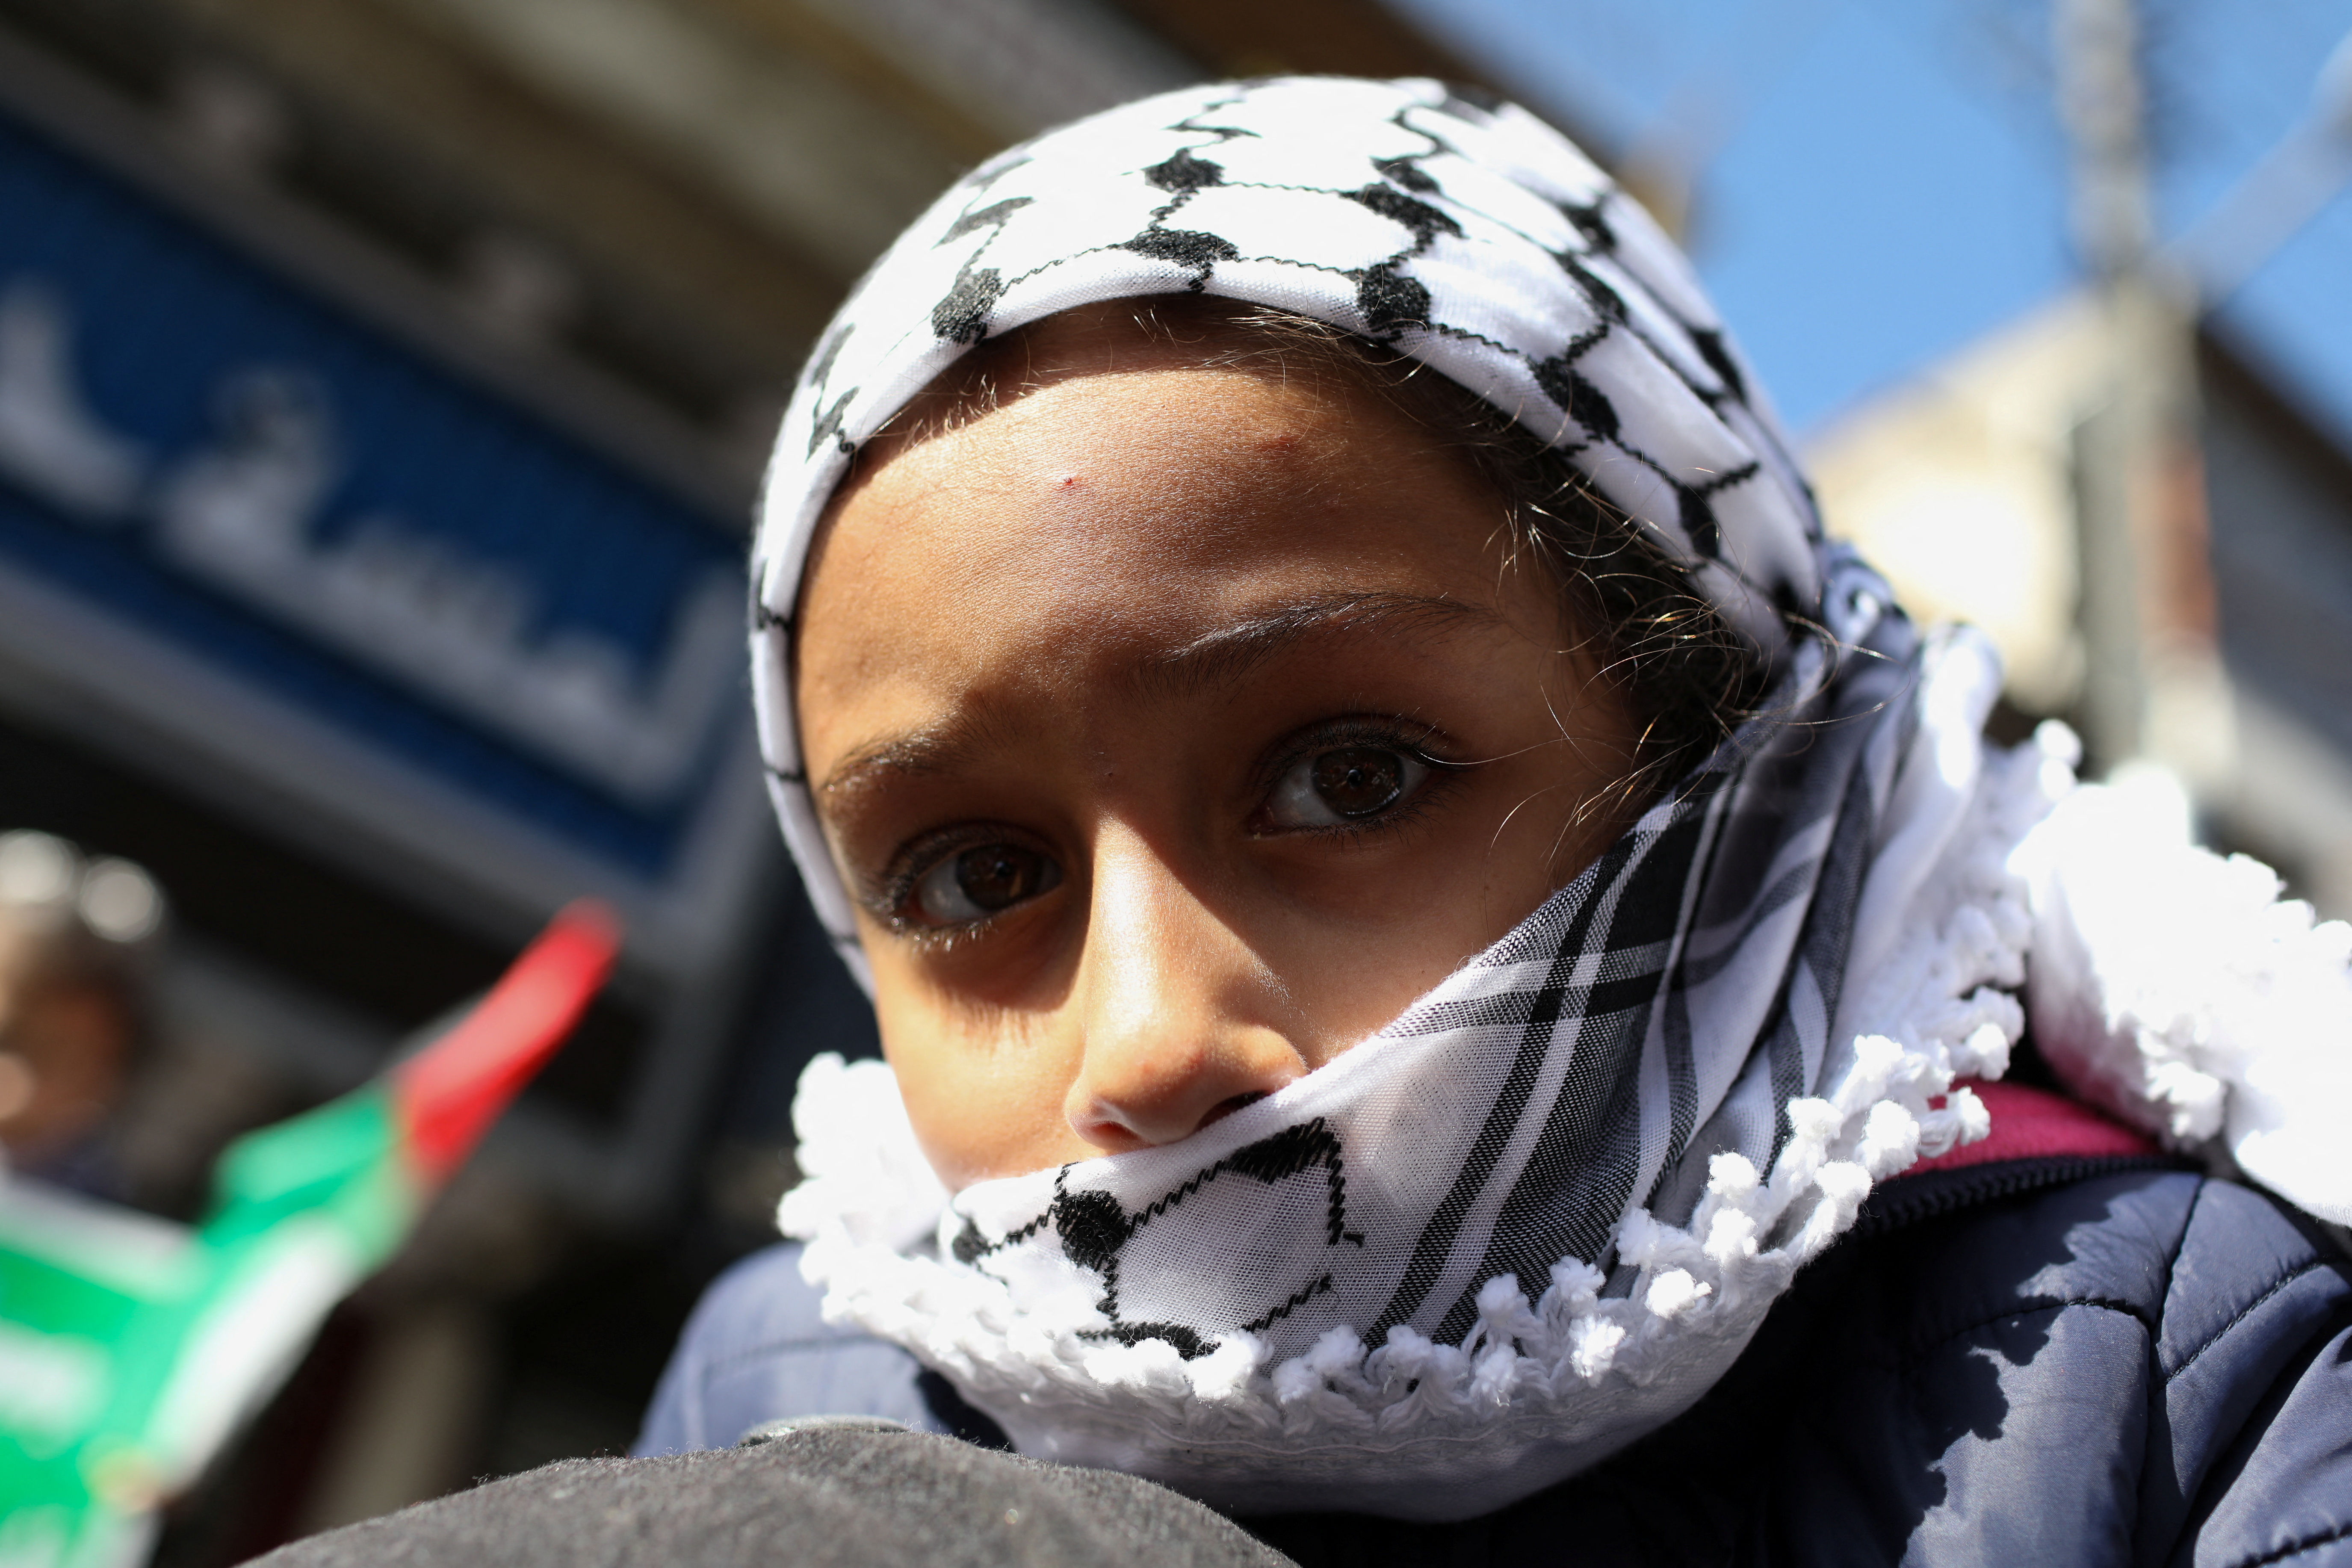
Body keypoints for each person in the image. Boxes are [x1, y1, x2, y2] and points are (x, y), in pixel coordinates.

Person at [263, 77, 2352, 1566]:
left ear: (1731, 749)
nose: (1154, 1039)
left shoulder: (2169, 1369)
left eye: (1349, 776)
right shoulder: (795, 1388)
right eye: (979, 879)